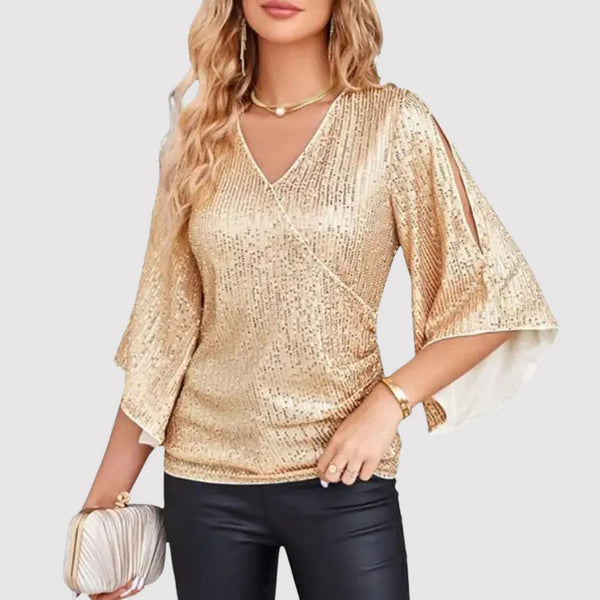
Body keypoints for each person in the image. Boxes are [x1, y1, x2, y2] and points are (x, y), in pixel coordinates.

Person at [80, 1, 559, 599]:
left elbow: (494, 297)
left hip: (345, 478)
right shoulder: (199, 137)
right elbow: (163, 329)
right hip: (204, 483)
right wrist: (104, 503)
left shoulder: (393, 122)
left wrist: (389, 402)